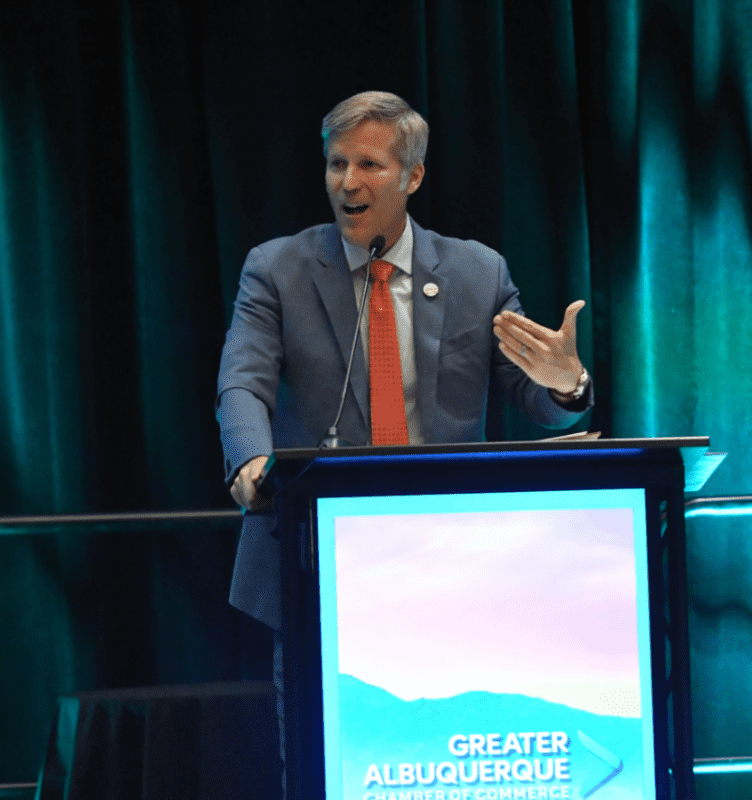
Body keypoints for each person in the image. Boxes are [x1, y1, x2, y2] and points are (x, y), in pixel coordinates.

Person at [214, 90, 593, 784]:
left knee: (446, 764)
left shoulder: (479, 273)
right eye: (335, 164)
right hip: (316, 563)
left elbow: (536, 402)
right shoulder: (278, 270)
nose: (347, 183)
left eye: (369, 165)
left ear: (413, 176)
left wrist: (566, 383)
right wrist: (251, 461)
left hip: (452, 564)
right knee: (327, 769)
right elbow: (242, 382)